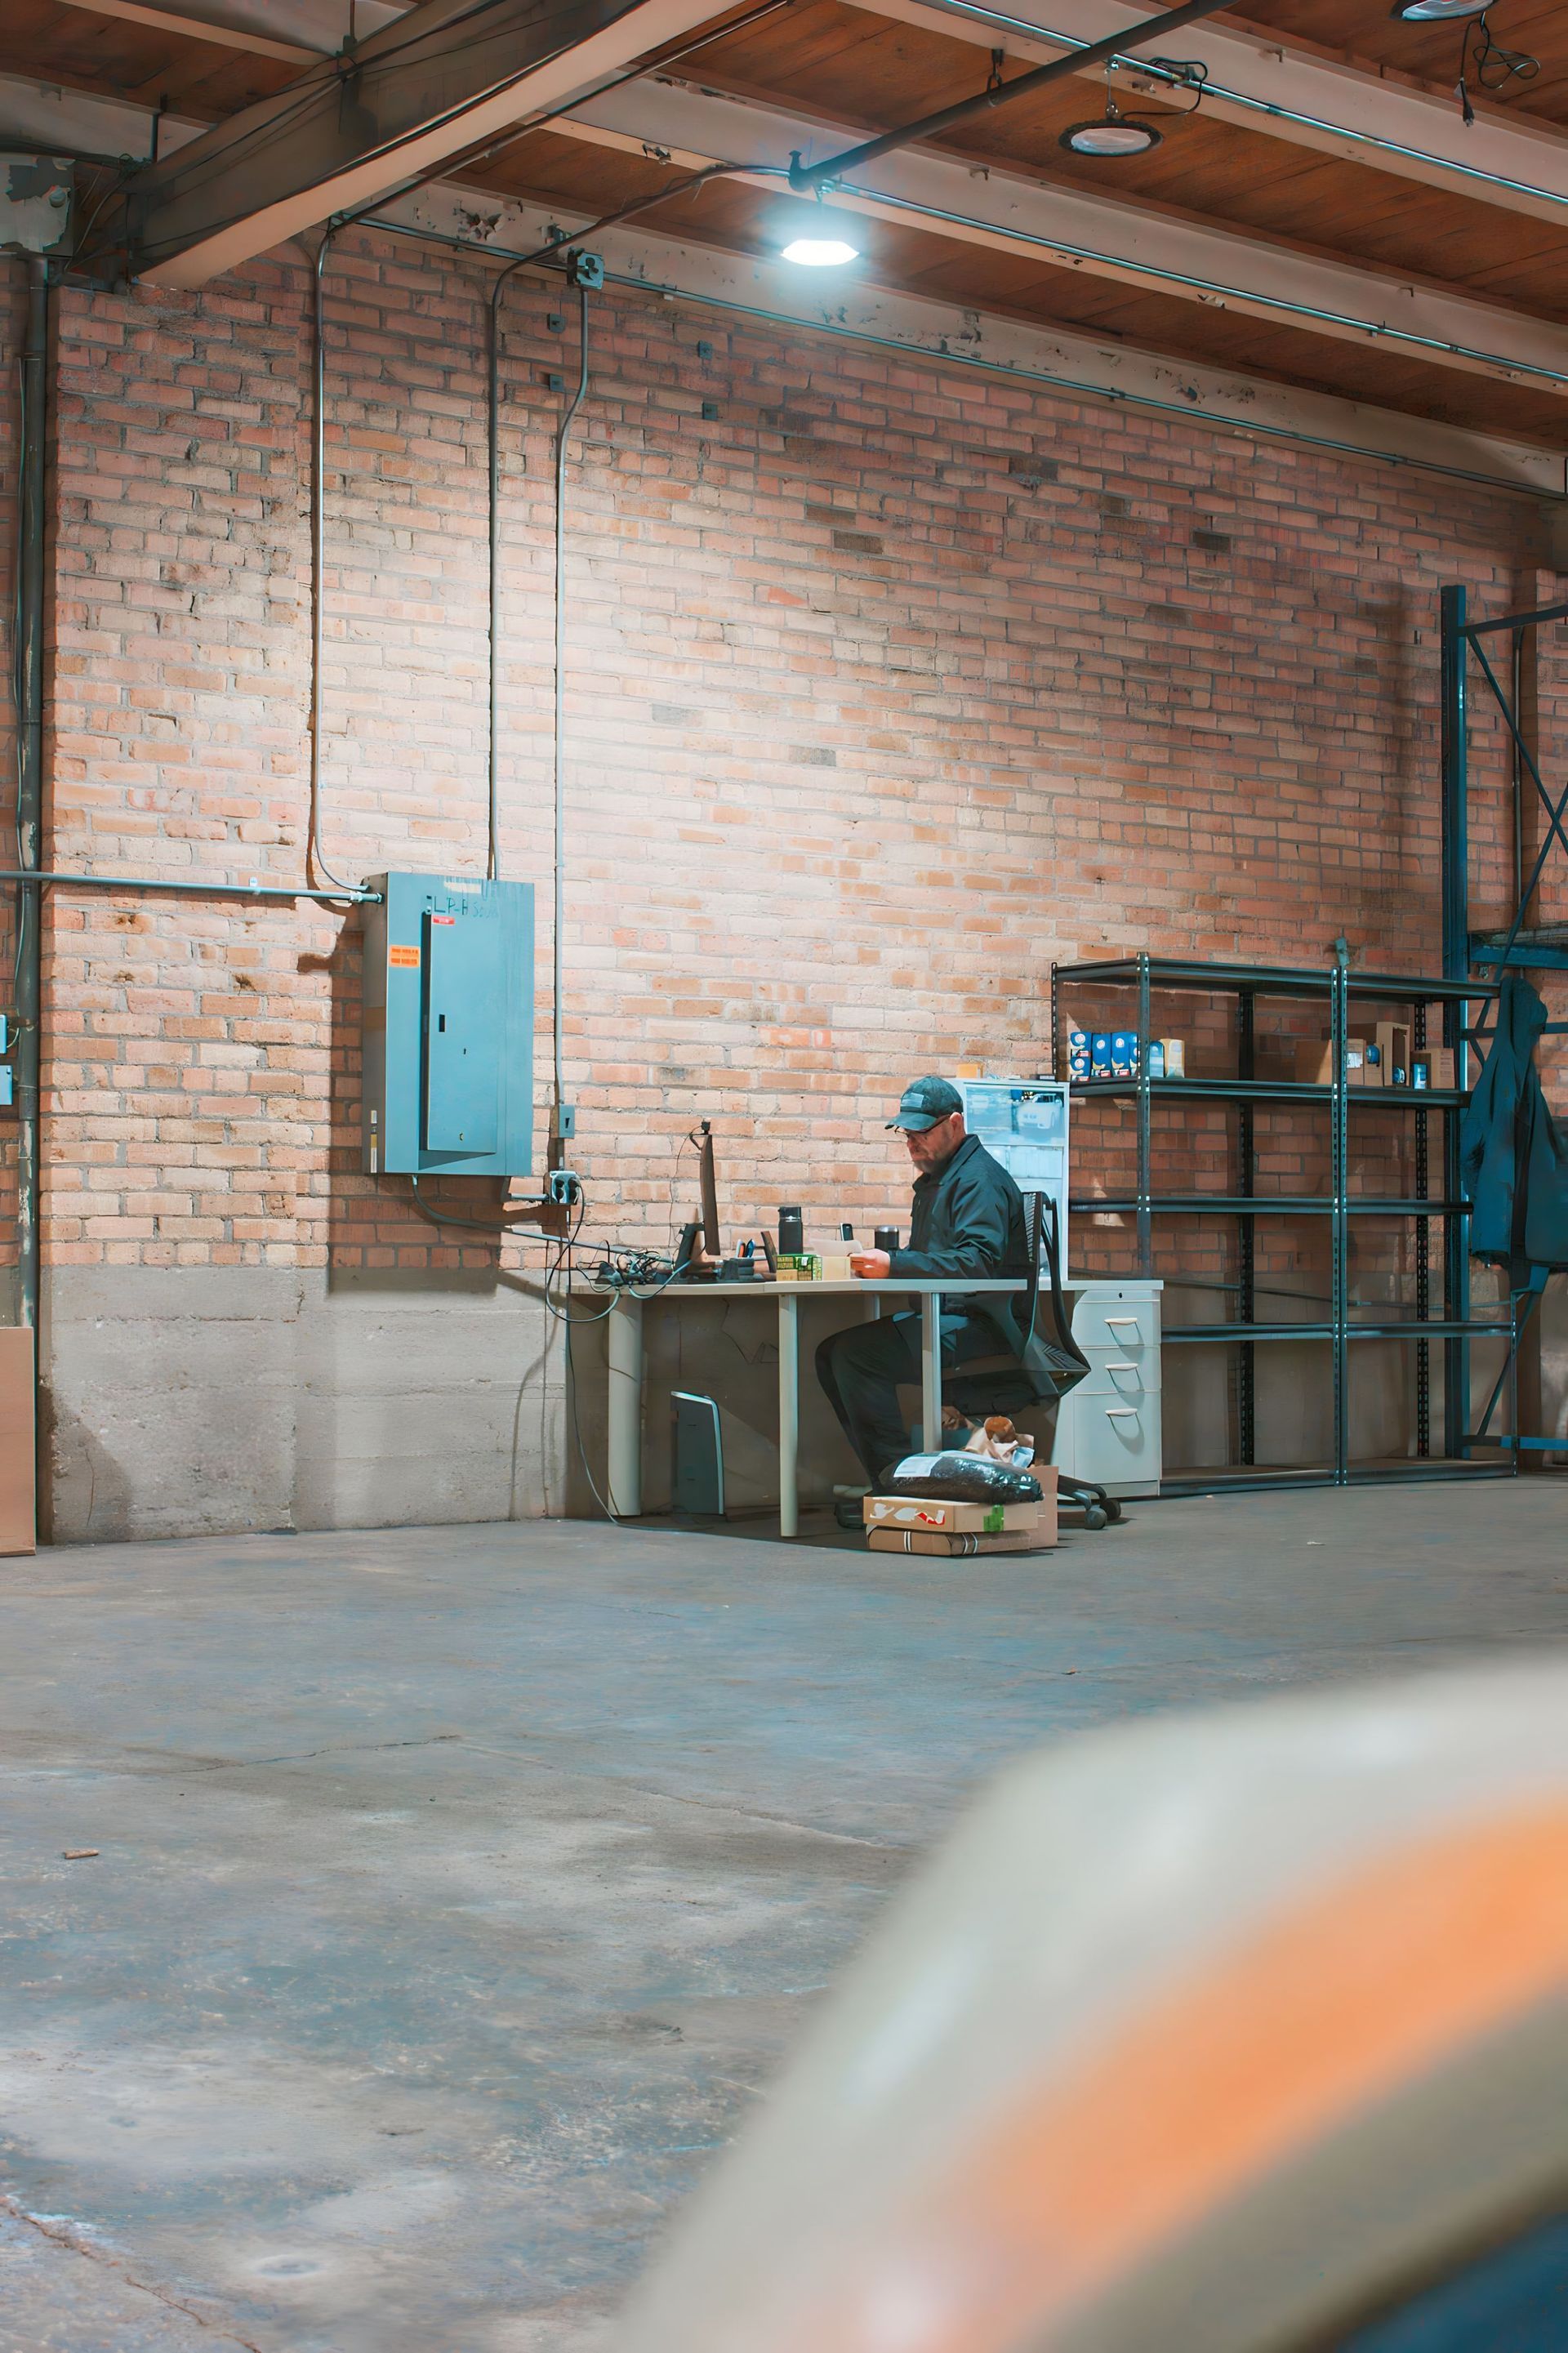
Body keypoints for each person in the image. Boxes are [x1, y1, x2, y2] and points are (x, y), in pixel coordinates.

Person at [815, 1076, 1031, 1488]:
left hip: (986, 1326)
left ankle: (903, 1481)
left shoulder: (977, 1181)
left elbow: (976, 1263)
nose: (913, 1143)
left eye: (922, 1132)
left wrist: (895, 1265)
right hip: (949, 1316)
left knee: (856, 1355)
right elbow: (939, 1260)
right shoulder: (941, 1180)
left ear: (954, 1124)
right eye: (907, 1134)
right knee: (831, 1352)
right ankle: (893, 1475)